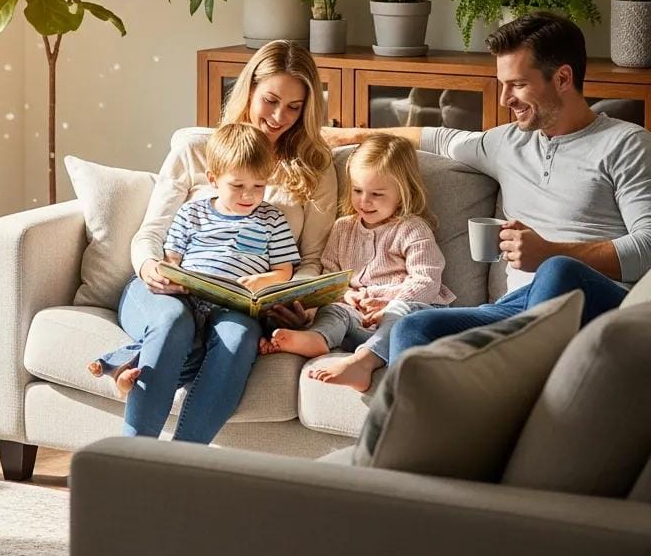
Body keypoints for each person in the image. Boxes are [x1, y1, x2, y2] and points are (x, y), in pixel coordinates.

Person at [317, 12, 651, 367]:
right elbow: (436, 137)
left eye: (517, 84)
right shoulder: (507, 143)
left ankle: (506, 368)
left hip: (599, 304)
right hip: (511, 311)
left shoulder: (626, 144)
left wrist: (550, 251)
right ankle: (498, 377)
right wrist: (351, 136)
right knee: (412, 328)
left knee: (558, 270)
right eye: (502, 84)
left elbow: (647, 246)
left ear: (563, 77)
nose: (505, 98)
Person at [116, 39, 337, 443]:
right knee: (171, 322)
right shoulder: (196, 149)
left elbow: (311, 258)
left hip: (244, 303)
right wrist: (151, 269)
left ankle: (184, 466)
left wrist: (293, 298)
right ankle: (132, 459)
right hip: (169, 290)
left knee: (237, 338)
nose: (278, 117)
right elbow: (152, 232)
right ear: (248, 88)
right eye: (270, 100)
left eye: (294, 107)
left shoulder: (315, 168)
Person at [88, 122, 300, 397]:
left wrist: (264, 280)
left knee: (198, 353)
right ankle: (122, 368)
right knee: (176, 333)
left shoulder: (272, 219)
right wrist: (172, 275)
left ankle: (123, 367)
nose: (249, 195)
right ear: (213, 180)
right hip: (189, 297)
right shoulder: (192, 212)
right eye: (237, 185)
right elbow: (173, 257)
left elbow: (284, 270)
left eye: (259, 186)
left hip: (231, 307)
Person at [259, 135, 454, 391]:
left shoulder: (412, 229)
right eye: (358, 191)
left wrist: (391, 305)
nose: (364, 201)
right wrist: (345, 295)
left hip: (399, 319)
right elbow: (330, 275)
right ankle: (318, 339)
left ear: (403, 191)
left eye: (377, 194)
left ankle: (363, 362)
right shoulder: (343, 228)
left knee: (404, 314)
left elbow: (426, 280)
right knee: (334, 312)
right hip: (356, 319)